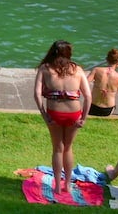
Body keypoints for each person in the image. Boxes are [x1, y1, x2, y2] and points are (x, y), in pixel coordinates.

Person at [34, 39, 91, 195]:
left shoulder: (45, 68)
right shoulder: (77, 70)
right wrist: (83, 118)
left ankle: (57, 187)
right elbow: (88, 96)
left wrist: (44, 114)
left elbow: (37, 94)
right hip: (74, 113)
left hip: (55, 112)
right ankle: (67, 184)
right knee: (68, 148)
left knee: (58, 149)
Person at [88, 48, 118, 117]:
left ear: (107, 59)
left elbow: (85, 83)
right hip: (107, 109)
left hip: (93, 106)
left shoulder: (96, 70)